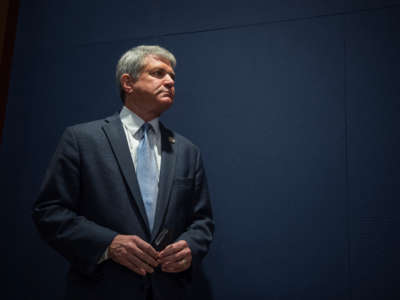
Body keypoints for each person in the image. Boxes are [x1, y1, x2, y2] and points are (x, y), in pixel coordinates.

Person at [32, 45, 214, 300]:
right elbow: (49, 211)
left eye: (172, 76)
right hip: (102, 289)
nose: (170, 81)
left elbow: (202, 221)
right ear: (128, 83)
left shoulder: (187, 151)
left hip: (170, 290)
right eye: (158, 73)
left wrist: (191, 247)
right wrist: (108, 244)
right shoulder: (82, 139)